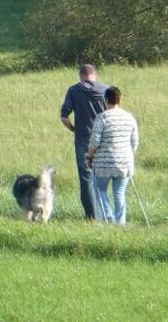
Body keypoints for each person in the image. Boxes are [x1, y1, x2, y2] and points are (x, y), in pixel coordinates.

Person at [60, 64, 108, 220]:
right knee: (102, 175)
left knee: (86, 177)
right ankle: (106, 214)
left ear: (80, 75)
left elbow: (64, 117)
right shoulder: (105, 90)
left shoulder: (74, 90)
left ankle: (91, 216)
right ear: (95, 75)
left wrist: (73, 129)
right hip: (104, 139)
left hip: (83, 138)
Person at [86, 87, 139, 225]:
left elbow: (95, 141)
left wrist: (90, 155)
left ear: (106, 100)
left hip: (104, 164)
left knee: (99, 190)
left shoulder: (102, 117)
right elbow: (134, 142)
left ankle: (109, 219)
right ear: (120, 100)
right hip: (125, 164)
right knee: (119, 194)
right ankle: (121, 223)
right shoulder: (129, 117)